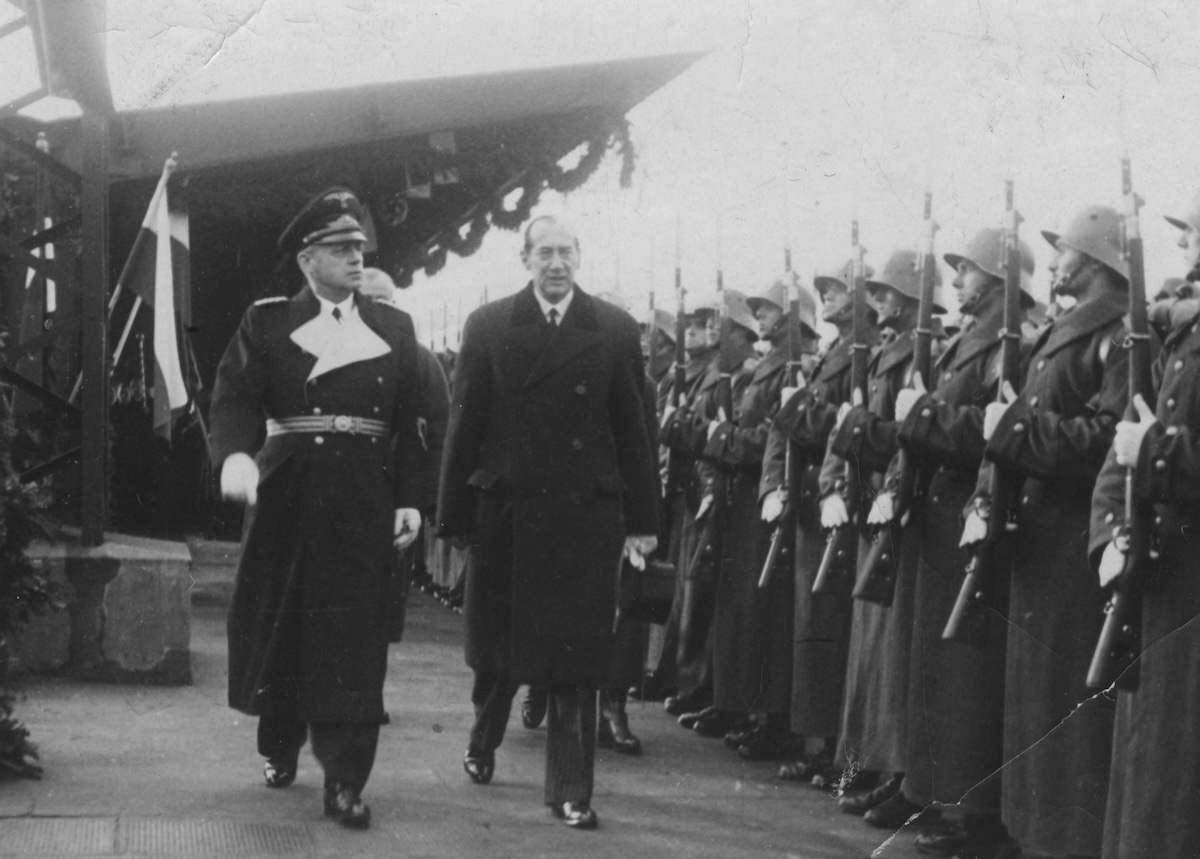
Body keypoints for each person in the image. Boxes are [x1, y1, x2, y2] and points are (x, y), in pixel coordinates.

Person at [209, 187, 425, 830]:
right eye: (340, 248)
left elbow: (408, 421)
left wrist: (412, 498)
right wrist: (234, 457)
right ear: (308, 261)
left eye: (359, 246)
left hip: (364, 496)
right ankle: (279, 742)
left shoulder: (393, 326)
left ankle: (345, 780)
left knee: (354, 640)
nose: (356, 257)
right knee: (286, 623)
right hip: (288, 495)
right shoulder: (268, 322)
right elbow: (236, 397)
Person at [436, 215, 659, 830]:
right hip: (506, 512)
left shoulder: (614, 329)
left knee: (575, 661)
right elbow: (465, 425)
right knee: (498, 657)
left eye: (566, 252)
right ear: (526, 259)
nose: (556, 263)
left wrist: (643, 521)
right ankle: (484, 738)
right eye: (544, 253)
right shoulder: (488, 325)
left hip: (585, 519)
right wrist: (452, 517)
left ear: (579, 258)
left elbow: (634, 432)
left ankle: (570, 790)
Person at [964, 205, 1136, 857]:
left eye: (1064, 252)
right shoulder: (1071, 328)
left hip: (1074, 541)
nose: (1056, 262)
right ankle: (1030, 831)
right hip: (1039, 533)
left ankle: (1062, 839)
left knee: (1067, 700)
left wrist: (1011, 431)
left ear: (1090, 261)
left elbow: (1103, 440)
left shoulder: (1118, 336)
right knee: (1034, 697)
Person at [887, 229, 1035, 858]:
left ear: (1000, 280)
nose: (957, 281)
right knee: (938, 671)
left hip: (972, 520)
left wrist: (919, 417)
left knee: (968, 678)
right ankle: (936, 793)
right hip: (942, 517)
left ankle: (971, 813)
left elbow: (992, 434)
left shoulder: (1012, 347)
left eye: (968, 270)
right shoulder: (966, 345)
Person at [1094, 192, 1200, 858]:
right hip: (1166, 571)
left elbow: (1161, 441)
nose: (1190, 248)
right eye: (1190, 236)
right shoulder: (1184, 329)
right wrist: (1112, 532)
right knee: (1153, 749)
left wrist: (1157, 449)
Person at [821, 249, 937, 828]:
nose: (878, 302)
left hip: (901, 510)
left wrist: (871, 447)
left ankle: (894, 773)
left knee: (892, 657)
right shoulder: (889, 349)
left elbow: (910, 436)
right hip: (874, 507)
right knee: (871, 655)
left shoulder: (926, 349)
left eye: (889, 293)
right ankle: (864, 764)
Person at [760, 259, 877, 783]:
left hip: (848, 503)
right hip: (818, 501)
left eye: (836, 289)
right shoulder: (834, 353)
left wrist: (797, 413)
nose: (824, 295)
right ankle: (822, 744)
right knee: (817, 629)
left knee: (837, 633)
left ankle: (839, 754)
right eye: (822, 289)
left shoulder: (865, 352)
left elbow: (844, 426)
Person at [701, 274, 818, 761]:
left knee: (769, 614)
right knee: (749, 611)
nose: (761, 315)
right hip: (752, 497)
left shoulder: (794, 366)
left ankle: (773, 718)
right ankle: (754, 710)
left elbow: (773, 437)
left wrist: (719, 440)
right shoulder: (770, 366)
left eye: (768, 308)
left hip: (774, 499)